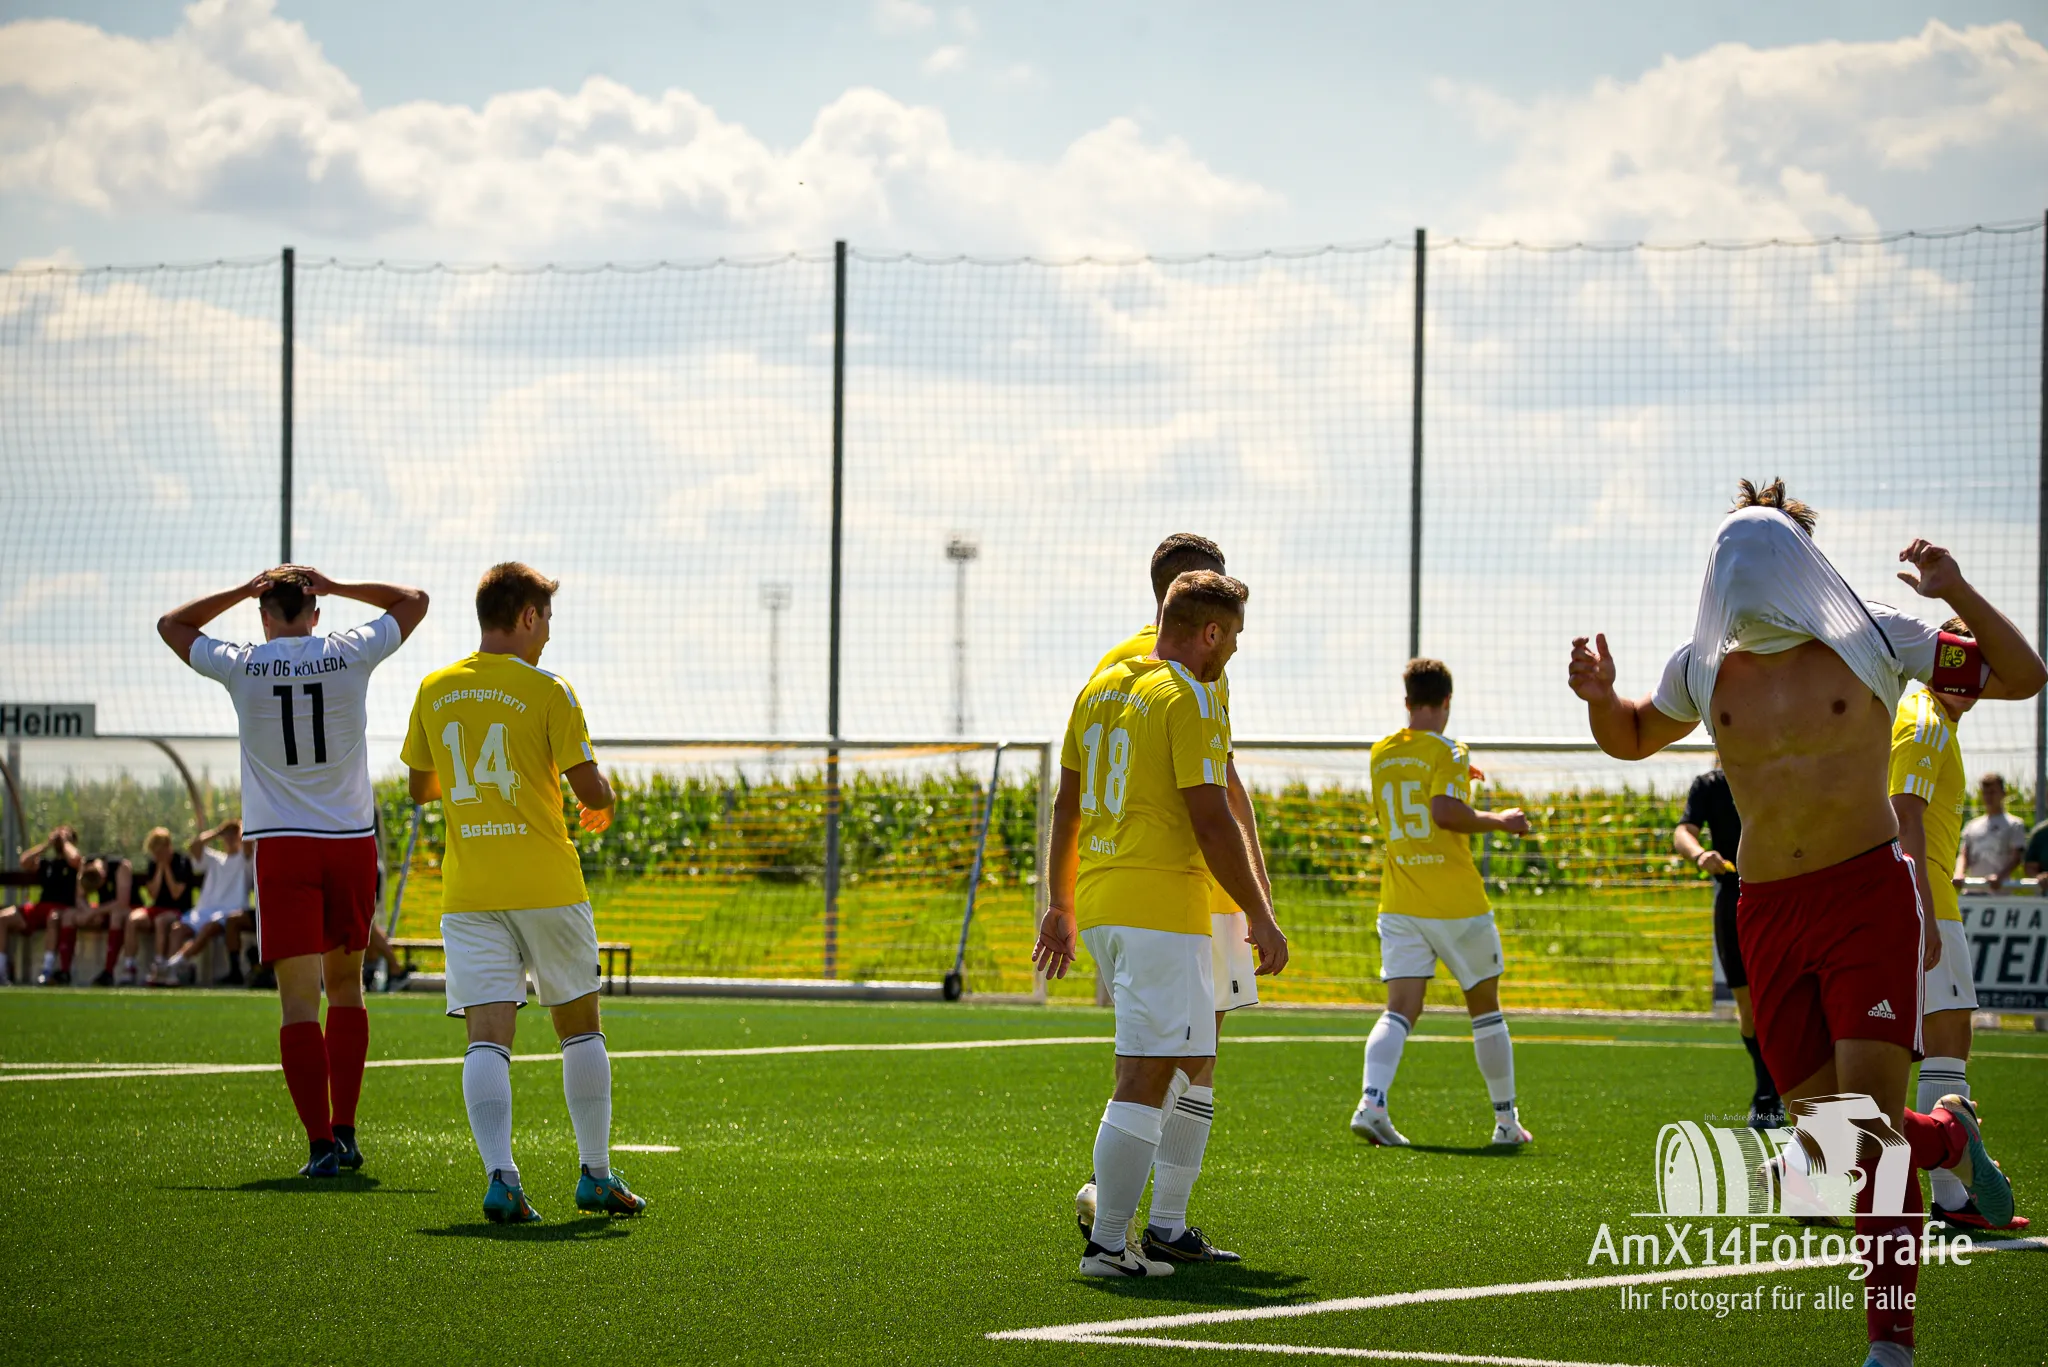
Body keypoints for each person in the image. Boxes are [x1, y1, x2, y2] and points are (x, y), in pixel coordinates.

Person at [1568, 480, 2045, 1367]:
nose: (1745, 565)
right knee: (1835, 1139)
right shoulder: (1702, 666)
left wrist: (1956, 589)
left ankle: (1890, 1346)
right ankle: (1949, 1134)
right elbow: (1630, 735)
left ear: (1801, 558)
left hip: (1865, 900)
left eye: (1766, 546)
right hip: (1768, 912)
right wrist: (1601, 694)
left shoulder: (1877, 637)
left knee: (1868, 1136)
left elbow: (2023, 677)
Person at [1034, 570, 1288, 1277]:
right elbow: (1212, 819)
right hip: (1161, 909)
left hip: (1105, 902)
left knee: (1181, 1059)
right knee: (1148, 1074)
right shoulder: (1188, 696)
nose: (1234, 649)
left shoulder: (1099, 689)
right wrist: (1260, 912)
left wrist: (1060, 903)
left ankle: (1137, 1225)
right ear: (1209, 630)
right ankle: (1109, 1243)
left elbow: (1066, 806)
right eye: (1233, 636)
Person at [158, 565, 428, 1177]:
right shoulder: (348, 650)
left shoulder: (244, 663)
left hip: (283, 847)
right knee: (347, 988)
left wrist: (239, 589)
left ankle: (319, 1146)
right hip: (350, 843)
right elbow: (415, 600)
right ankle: (346, 1132)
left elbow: (172, 625)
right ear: (314, 611)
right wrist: (337, 585)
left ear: (262, 616)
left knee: (299, 1003)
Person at [402, 562, 644, 1223]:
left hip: (470, 891)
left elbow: (420, 787)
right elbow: (589, 788)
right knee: (579, 1027)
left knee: (487, 1036)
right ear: (529, 616)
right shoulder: (548, 690)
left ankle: (501, 1179)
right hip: (547, 886)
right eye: (548, 619)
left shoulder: (434, 688)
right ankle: (596, 1174)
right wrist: (605, 798)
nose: (549, 634)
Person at [1350, 658, 1535, 1148]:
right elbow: (1444, 812)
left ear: (1407, 701)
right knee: (1486, 1009)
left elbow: (1414, 789)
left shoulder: (1381, 753)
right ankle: (1506, 1122)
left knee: (1400, 1009)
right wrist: (1501, 820)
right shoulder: (1450, 750)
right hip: (1456, 904)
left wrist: (1454, 775)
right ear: (1447, 701)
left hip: (1400, 900)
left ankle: (1372, 1102)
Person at [1887, 633, 2029, 1233]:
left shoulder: (1932, 715)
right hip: (1927, 900)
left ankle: (1802, 1168)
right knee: (1946, 1041)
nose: (1972, 681)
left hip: (1921, 896)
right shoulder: (1924, 719)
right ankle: (1949, 1195)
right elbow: (1904, 812)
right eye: (1964, 662)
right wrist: (1923, 904)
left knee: (1901, 1047)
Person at [1673, 761, 1781, 1127]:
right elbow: (1683, 831)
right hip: (1733, 901)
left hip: (1782, 897)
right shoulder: (1709, 785)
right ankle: (1767, 1091)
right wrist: (1700, 854)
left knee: (1784, 1001)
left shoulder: (1779, 774)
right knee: (1748, 1007)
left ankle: (1778, 1093)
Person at [151, 820, 251, 986]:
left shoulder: (245, 859)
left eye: (234, 834)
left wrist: (239, 828)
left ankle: (172, 965)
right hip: (203, 911)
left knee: (208, 928)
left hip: (229, 912)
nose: (230, 838)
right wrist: (218, 831)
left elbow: (248, 843)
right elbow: (194, 846)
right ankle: (171, 974)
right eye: (228, 834)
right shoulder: (215, 859)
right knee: (177, 929)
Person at [0, 825, 83, 985]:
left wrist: (65, 841)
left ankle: (47, 969)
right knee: (2, 918)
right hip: (40, 907)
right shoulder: (47, 863)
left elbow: (76, 859)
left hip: (61, 909)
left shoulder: (73, 865)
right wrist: (47, 844)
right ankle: (1, 970)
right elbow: (24, 862)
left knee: (53, 917)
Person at [123, 827, 195, 984]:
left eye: (160, 852)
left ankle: (159, 964)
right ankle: (129, 966)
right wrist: (159, 870)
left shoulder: (182, 862)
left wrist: (166, 869)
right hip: (157, 907)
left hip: (178, 909)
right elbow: (153, 895)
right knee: (133, 919)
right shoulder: (153, 865)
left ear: (168, 846)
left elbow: (176, 893)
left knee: (161, 921)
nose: (157, 856)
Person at [68, 852, 140, 987]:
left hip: (128, 909)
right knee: (69, 916)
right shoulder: (85, 864)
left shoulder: (121, 866)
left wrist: (93, 912)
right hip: (104, 910)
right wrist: (88, 912)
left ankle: (109, 971)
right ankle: (63, 971)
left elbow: (122, 903)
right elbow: (80, 897)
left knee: (116, 916)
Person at [1957, 774, 2028, 889]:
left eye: (1993, 792)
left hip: (1999, 892)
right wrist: (1959, 873)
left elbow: (2016, 858)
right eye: (1985, 793)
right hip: (1973, 891)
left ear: (2003, 794)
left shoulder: (2014, 824)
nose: (1988, 797)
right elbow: (1964, 854)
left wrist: (2000, 876)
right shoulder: (1972, 825)